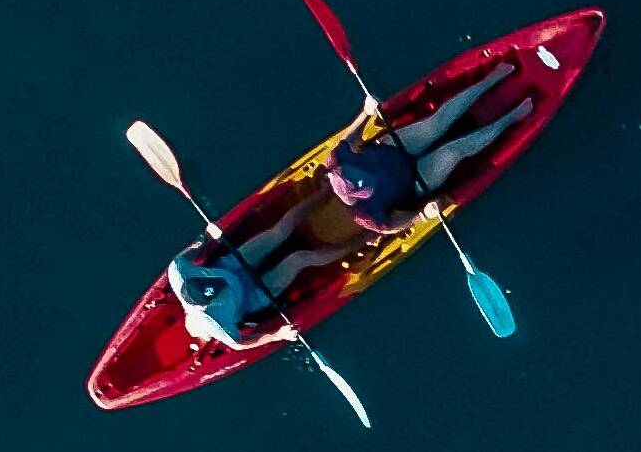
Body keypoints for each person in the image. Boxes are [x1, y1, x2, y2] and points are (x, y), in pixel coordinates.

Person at [162, 76, 534, 350]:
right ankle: (509, 121)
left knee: (282, 229)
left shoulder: (180, 274)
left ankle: (494, 76)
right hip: (412, 185)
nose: (352, 189)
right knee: (299, 258)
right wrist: (279, 333)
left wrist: (207, 237)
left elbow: (184, 255)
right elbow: (244, 343)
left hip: (389, 154)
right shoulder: (222, 324)